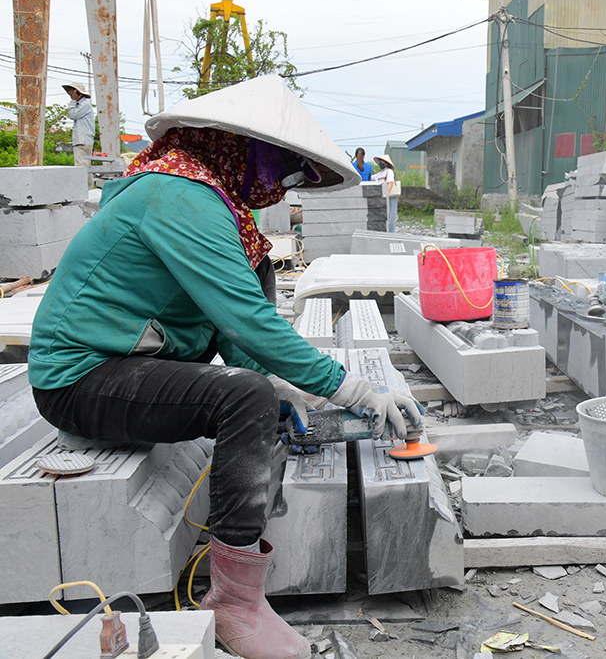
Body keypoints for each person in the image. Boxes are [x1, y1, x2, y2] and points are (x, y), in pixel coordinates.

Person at [28, 75, 421, 659]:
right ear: (240, 149)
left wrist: (288, 394)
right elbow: (245, 323)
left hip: (127, 366)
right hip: (79, 378)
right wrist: (352, 389)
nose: (279, 186)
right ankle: (234, 602)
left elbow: (235, 336)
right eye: (278, 168)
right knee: (243, 398)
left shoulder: (214, 207)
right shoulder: (177, 197)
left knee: (254, 384)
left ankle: (235, 586)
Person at [62, 81, 95, 168]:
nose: (69, 93)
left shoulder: (85, 104)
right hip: (81, 141)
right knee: (84, 166)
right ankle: (88, 182)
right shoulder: (82, 105)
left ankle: (85, 182)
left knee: (81, 166)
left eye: (71, 91)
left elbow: (73, 115)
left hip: (82, 141)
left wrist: (73, 102)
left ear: (77, 91)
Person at [371, 154, 398, 232]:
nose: (380, 163)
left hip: (390, 197)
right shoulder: (378, 174)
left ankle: (391, 233)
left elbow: (390, 183)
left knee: (391, 217)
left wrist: (386, 194)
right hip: (382, 198)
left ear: (386, 163)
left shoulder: (389, 172)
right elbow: (370, 177)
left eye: (381, 161)